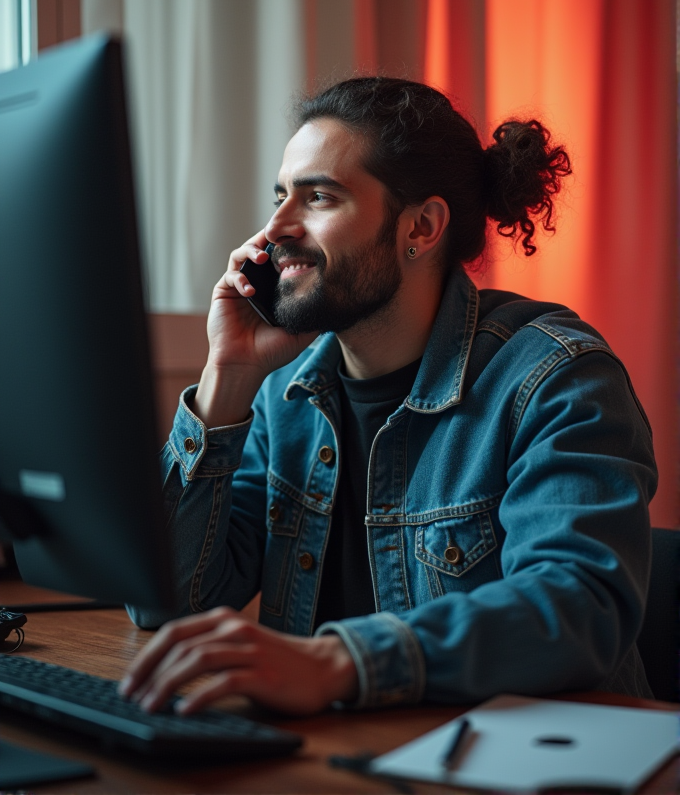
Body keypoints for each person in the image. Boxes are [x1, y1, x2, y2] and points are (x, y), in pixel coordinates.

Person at [120, 78, 656, 716]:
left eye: (318, 197)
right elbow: (165, 602)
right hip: (346, 752)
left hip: (532, 761)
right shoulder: (287, 394)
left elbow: (577, 608)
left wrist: (339, 661)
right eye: (280, 196)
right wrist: (227, 378)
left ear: (422, 227)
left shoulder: (555, 376)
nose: (276, 230)